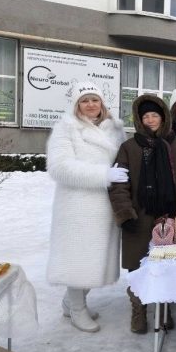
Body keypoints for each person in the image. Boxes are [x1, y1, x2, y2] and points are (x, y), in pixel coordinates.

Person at [109, 94, 176, 334]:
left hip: (172, 215)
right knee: (138, 266)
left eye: (154, 115)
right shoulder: (129, 148)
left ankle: (164, 306)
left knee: (169, 263)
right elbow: (119, 184)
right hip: (139, 216)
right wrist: (125, 213)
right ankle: (138, 310)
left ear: (163, 117)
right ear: (139, 120)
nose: (150, 120)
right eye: (145, 116)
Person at [46, 83, 127, 333]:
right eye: (85, 100)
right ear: (76, 105)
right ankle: (77, 309)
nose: (91, 104)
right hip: (77, 206)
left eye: (95, 99)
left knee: (96, 260)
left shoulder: (115, 129)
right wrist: (103, 175)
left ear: (102, 103)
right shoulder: (66, 128)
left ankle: (70, 303)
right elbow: (59, 167)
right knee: (79, 260)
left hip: (106, 206)